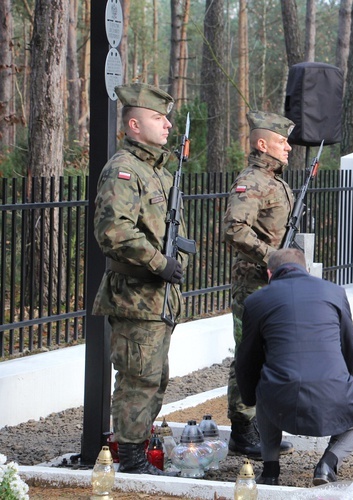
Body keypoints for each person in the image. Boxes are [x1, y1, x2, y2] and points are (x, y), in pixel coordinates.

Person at [92, 83, 184, 475]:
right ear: (133, 125)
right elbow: (112, 230)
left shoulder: (156, 170)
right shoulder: (124, 170)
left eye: (166, 118)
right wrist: (158, 262)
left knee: (154, 378)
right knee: (137, 380)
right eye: (157, 118)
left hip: (157, 298)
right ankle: (129, 460)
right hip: (135, 295)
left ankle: (139, 449)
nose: (167, 124)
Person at [235, 248, 353, 486]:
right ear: (306, 270)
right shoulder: (334, 292)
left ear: (269, 273)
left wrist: (250, 398)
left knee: (265, 390)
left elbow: (248, 357)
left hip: (281, 397)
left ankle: (270, 471)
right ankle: (327, 465)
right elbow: (351, 347)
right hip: (334, 391)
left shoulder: (256, 301)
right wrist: (351, 388)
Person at [222, 111, 296, 459]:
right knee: (248, 354)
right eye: (282, 142)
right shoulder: (251, 181)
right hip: (254, 282)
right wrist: (270, 258)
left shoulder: (275, 180)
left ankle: (264, 425)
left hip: (274, 281)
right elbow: (235, 228)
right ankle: (242, 429)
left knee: (271, 353)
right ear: (263, 144)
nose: (289, 148)